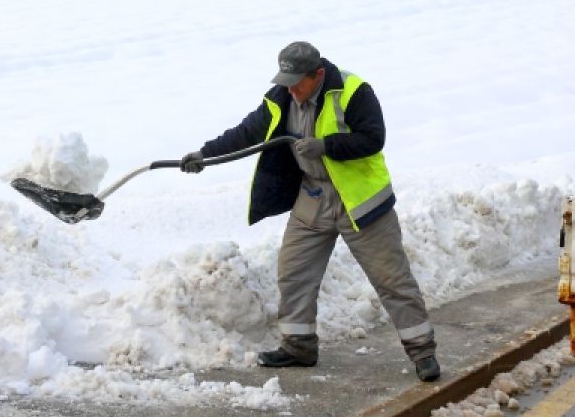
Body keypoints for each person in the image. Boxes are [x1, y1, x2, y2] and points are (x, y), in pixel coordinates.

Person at [180, 41, 440, 381]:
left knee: (391, 278)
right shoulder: (282, 96)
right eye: (286, 81)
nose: (291, 90)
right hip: (313, 194)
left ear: (317, 74)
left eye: (297, 82)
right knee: (294, 271)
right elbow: (248, 131)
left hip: (360, 200)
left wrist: (326, 146)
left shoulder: (353, 91)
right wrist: (205, 154)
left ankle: (422, 351)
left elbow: (373, 138)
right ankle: (298, 346)